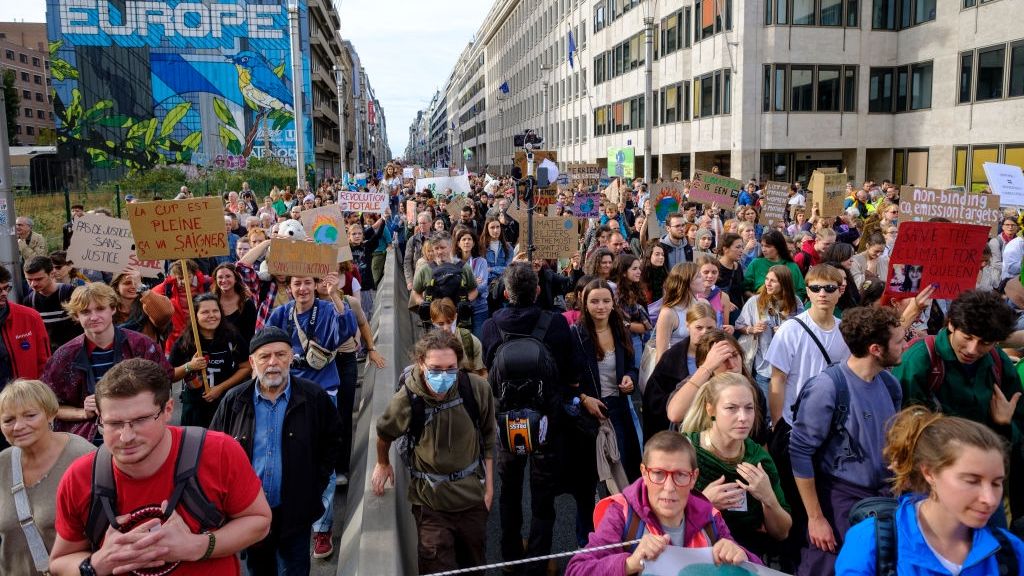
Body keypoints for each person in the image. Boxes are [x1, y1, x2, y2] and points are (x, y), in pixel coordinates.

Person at [49, 359, 271, 574]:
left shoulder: (218, 452)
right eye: (114, 423)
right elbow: (60, 561)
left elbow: (259, 521)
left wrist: (197, 546)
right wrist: (96, 564)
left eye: (141, 420)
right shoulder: (81, 477)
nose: (126, 437)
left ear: (168, 410)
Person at [209, 328, 341, 571]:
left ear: (291, 358)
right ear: (252, 362)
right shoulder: (234, 401)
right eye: (264, 356)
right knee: (258, 570)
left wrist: (314, 486)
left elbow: (331, 443)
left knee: (294, 568)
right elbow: (214, 452)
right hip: (250, 514)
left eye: (280, 355)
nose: (273, 362)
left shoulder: (314, 397)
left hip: (296, 512)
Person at [836, 408, 1024, 576]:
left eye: (996, 483)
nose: (989, 499)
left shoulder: (1011, 552)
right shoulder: (871, 542)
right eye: (972, 481)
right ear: (929, 473)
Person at [892, 289, 1024, 525]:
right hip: (933, 480)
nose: (973, 349)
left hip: (985, 477)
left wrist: (1003, 424)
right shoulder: (920, 360)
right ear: (951, 324)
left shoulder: (998, 362)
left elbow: (1016, 432)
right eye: (968, 337)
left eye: (984, 343)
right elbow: (904, 429)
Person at [789, 306, 905, 575]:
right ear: (876, 349)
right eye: (899, 341)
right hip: (839, 504)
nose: (905, 346)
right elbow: (800, 452)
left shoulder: (890, 385)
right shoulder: (827, 388)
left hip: (883, 501)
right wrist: (816, 518)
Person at [371, 329, 496, 574]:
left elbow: (489, 437)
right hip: (430, 505)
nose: (444, 376)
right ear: (421, 363)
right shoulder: (408, 399)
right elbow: (384, 433)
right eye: (436, 369)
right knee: (436, 566)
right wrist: (382, 463)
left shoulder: (477, 389)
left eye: (451, 368)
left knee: (475, 566)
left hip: (472, 500)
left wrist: (489, 488)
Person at [481, 262, 576, 574]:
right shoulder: (556, 323)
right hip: (547, 419)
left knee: (509, 490)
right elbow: (569, 369)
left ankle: (510, 556)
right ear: (537, 291)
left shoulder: (492, 325)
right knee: (543, 493)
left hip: (506, 420)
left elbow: (489, 366)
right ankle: (538, 560)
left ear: (505, 293)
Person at [564, 431, 758, 575]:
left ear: (693, 478)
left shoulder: (710, 518)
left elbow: (757, 567)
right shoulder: (622, 514)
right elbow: (576, 569)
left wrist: (742, 555)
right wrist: (630, 563)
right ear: (644, 473)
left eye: (680, 475)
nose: (669, 487)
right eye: (658, 474)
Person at [264, 271, 356, 549]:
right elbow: (265, 344)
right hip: (288, 394)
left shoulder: (327, 309)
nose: (302, 288)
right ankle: (288, 518)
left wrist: (335, 295)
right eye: (297, 284)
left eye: (307, 283)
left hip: (323, 394)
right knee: (287, 457)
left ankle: (322, 528)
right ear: (289, 288)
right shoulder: (280, 315)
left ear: (315, 285)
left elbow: (347, 329)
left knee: (322, 460)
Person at [43, 283, 172, 443]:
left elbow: (164, 386)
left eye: (100, 309)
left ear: (113, 308)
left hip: (139, 437)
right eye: (85, 312)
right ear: (76, 316)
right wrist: (82, 412)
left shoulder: (142, 345)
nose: (94, 317)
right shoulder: (63, 356)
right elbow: (48, 406)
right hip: (88, 444)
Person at [681, 372, 791, 559]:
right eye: (731, 408)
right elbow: (658, 518)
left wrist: (768, 499)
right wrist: (704, 504)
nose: (743, 417)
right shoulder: (685, 452)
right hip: (693, 556)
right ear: (710, 410)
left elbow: (782, 533)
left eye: (749, 408)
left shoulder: (759, 459)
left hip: (745, 559)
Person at [0, 379, 94, 575]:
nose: (18, 426)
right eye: (8, 420)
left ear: (50, 414)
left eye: (30, 415)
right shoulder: (2, 463)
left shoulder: (84, 457)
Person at [572, 279, 642, 481]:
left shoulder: (621, 331)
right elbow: (564, 378)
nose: (601, 306)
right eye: (594, 301)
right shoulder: (576, 334)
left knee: (624, 469)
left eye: (606, 301)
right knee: (595, 474)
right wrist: (584, 399)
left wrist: (630, 379)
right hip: (589, 413)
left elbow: (631, 367)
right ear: (585, 304)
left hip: (619, 407)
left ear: (613, 303)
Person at [169, 294, 250, 429]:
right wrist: (190, 366)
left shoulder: (233, 337)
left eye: (215, 311)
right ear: (195, 316)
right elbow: (170, 374)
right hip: (194, 409)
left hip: (225, 405)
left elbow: (246, 367)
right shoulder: (185, 342)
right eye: (205, 312)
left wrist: (220, 388)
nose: (212, 315)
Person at [735, 265, 802, 397]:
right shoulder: (755, 301)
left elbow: (802, 329)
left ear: (784, 283)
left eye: (773, 281)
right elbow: (739, 325)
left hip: (789, 367)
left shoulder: (795, 302)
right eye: (767, 279)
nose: (768, 283)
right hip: (764, 368)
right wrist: (752, 329)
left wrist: (786, 330)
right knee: (767, 407)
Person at [0, 264, 50, 389]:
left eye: (6, 288)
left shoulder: (30, 317)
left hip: (26, 396)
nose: (4, 293)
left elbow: (45, 363)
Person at [23, 256, 81, 352]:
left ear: (52, 274)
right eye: (29, 280)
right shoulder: (29, 301)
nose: (33, 284)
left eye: (39, 279)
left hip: (74, 353)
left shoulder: (70, 293)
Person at [654, 262, 706, 361]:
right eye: (699, 276)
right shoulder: (668, 313)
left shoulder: (703, 304)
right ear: (686, 282)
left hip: (701, 363)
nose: (704, 278)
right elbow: (661, 355)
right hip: (678, 366)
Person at [744, 230, 806, 301]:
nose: (763, 249)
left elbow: (801, 292)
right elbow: (745, 289)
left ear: (778, 247)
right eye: (762, 246)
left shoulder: (792, 266)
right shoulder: (756, 263)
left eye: (768, 246)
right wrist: (757, 299)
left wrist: (789, 303)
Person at [453, 226, 490, 338]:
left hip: (479, 308)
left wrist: (465, 284)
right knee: (462, 341)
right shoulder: (453, 263)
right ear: (458, 243)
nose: (467, 242)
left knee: (479, 340)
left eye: (469, 239)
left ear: (473, 243)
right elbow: (454, 285)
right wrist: (473, 281)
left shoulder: (481, 261)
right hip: (459, 309)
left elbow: (483, 286)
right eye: (463, 239)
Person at [211, 263, 257, 337]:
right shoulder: (211, 302)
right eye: (220, 277)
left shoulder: (247, 304)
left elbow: (250, 334)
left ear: (235, 279)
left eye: (228, 276)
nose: (224, 280)